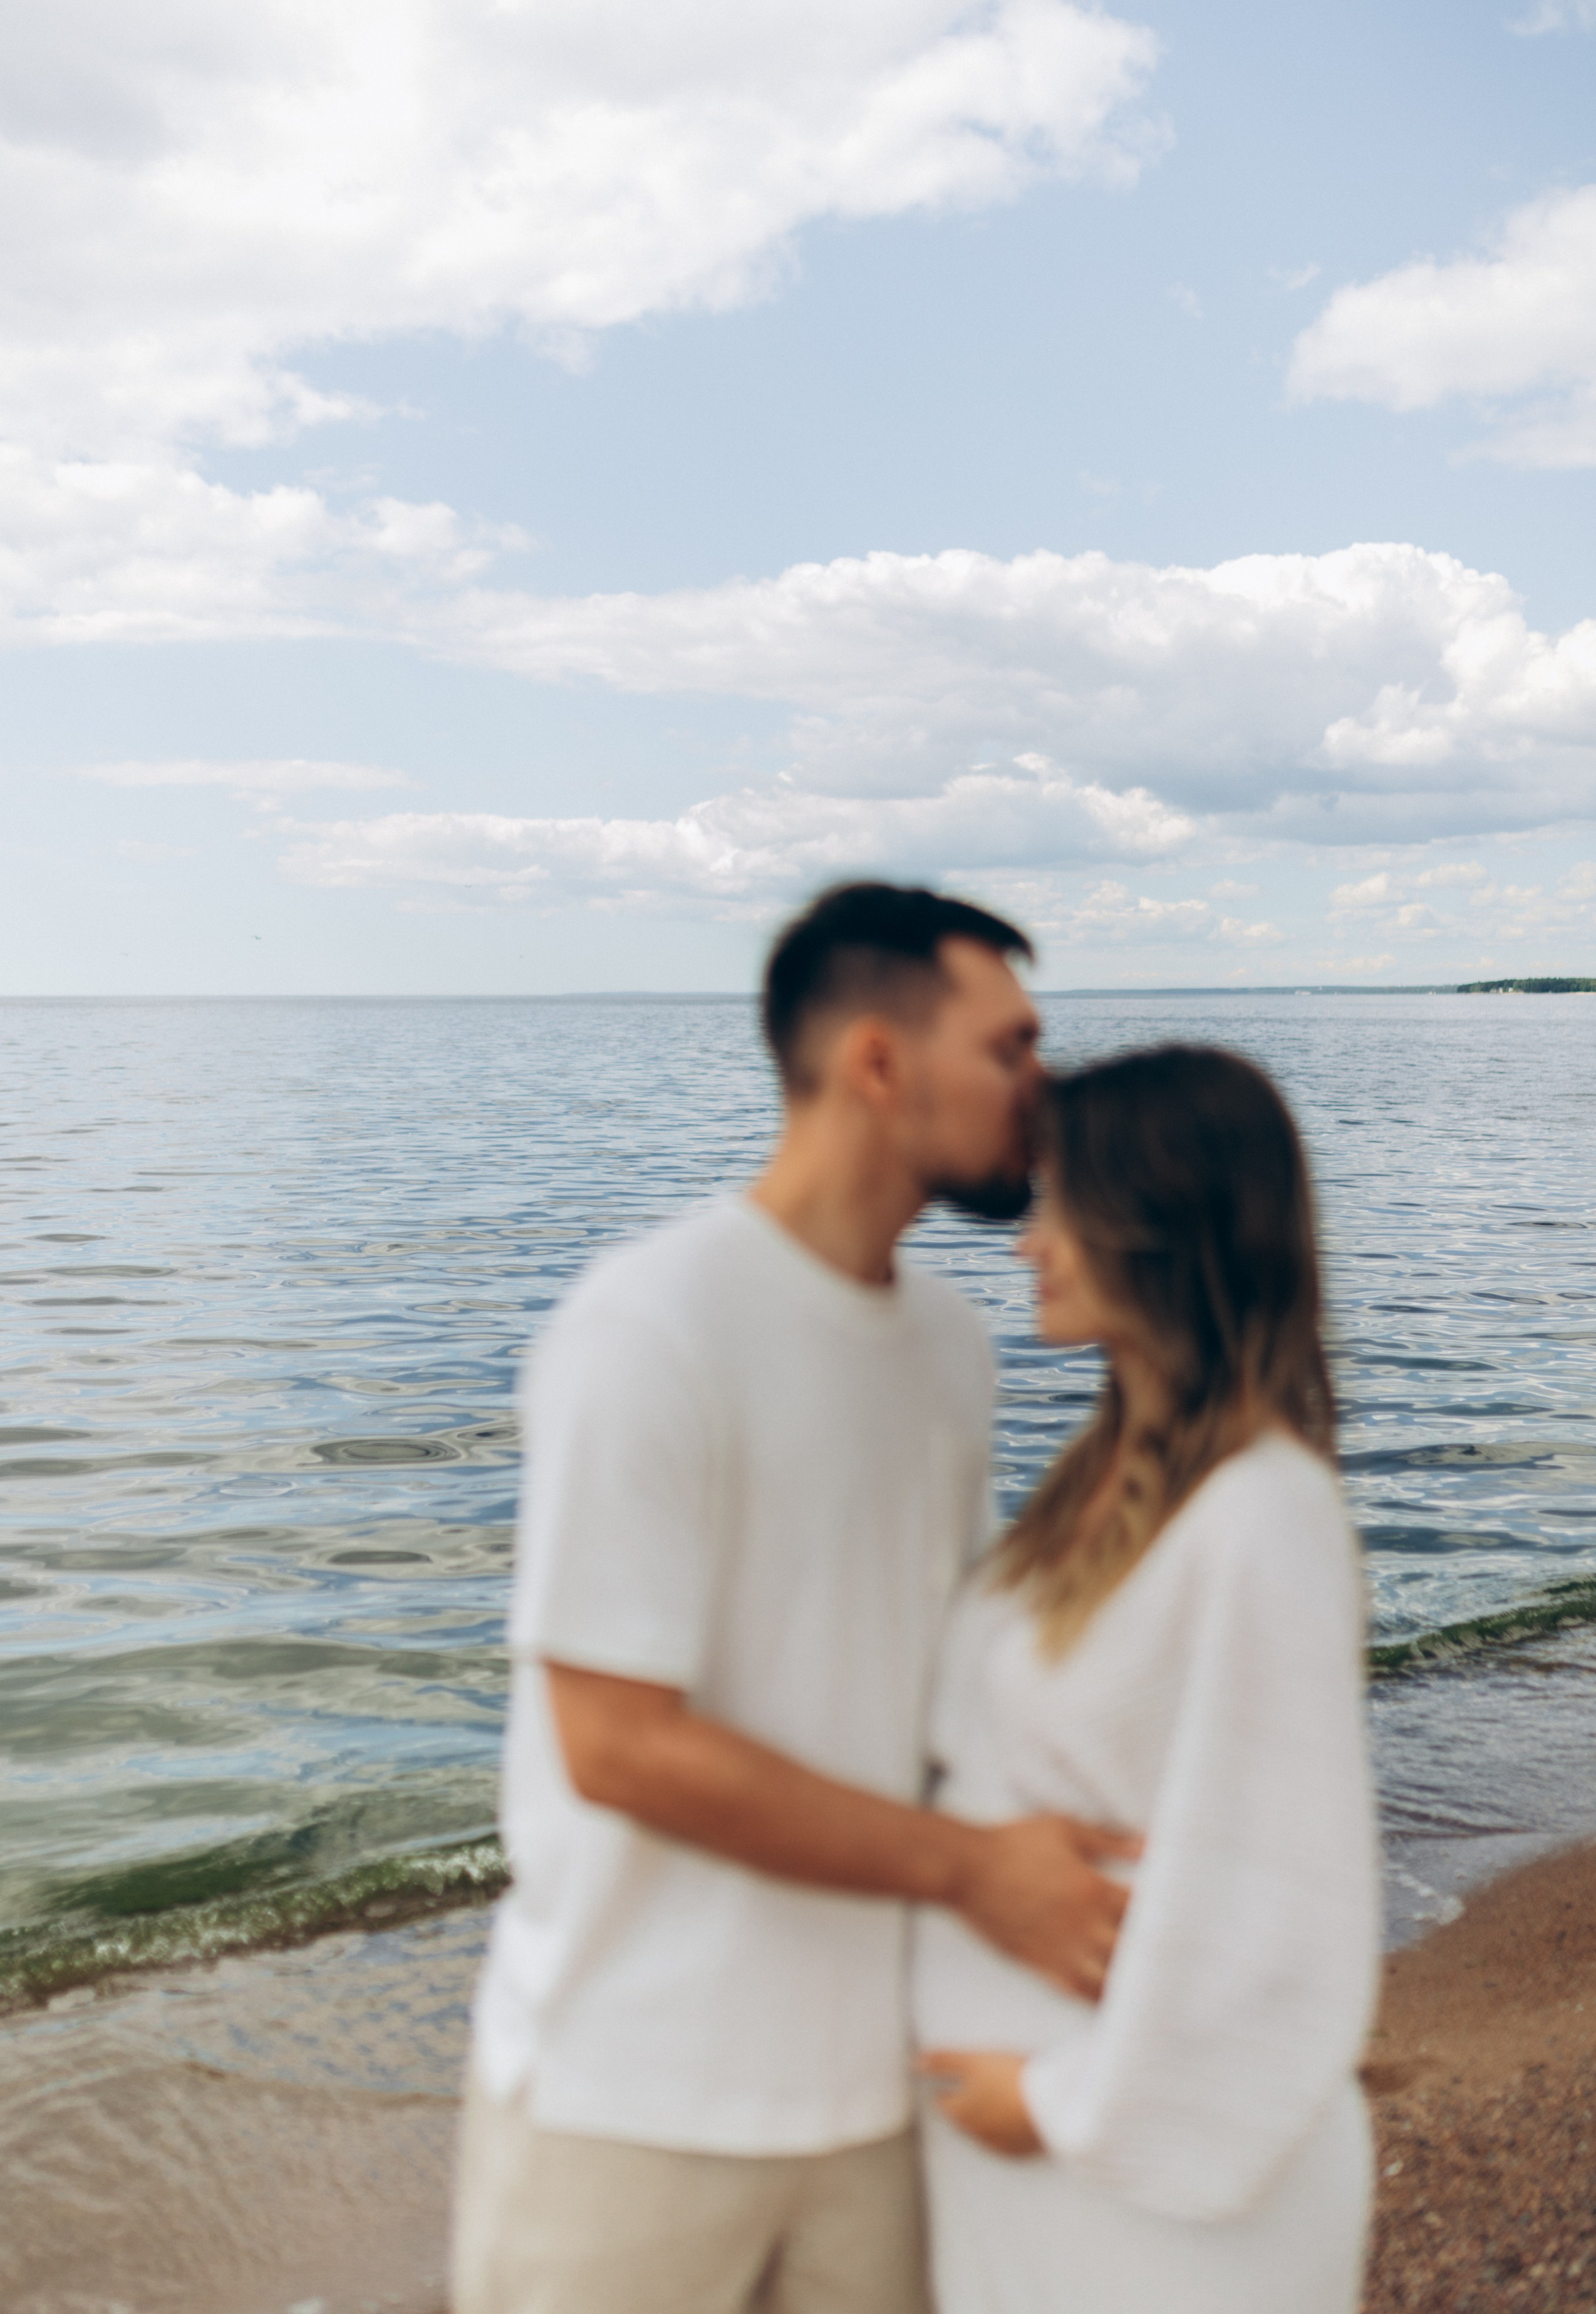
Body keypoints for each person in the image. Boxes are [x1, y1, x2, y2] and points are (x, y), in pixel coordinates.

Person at [454, 881, 1136, 2314]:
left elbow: (928, 1689)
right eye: (1008, 1048)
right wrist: (972, 1871)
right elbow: (619, 1745)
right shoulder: (648, 1330)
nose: (1042, 1086)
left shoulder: (950, 1350)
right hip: (624, 2103)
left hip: (873, 2099)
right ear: (877, 1063)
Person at [914, 1045, 1379, 2314]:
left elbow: (1278, 1897)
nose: (1027, 1243)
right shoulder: (1100, 1481)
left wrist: (1059, 2106)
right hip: (1036, 2170)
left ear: (1155, 1224)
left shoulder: (1258, 1515)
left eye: (1060, 1206)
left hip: (1139, 2183)